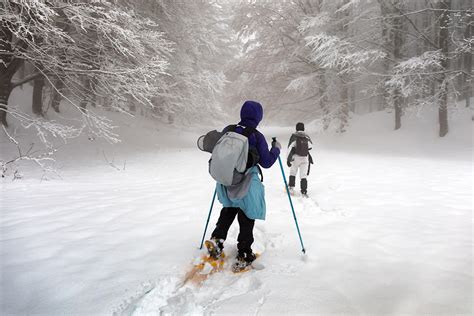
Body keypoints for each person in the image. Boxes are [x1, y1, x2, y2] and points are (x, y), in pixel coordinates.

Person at [207, 100, 281, 269]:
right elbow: (267, 162)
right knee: (246, 216)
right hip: (246, 182)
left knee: (228, 210)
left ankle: (216, 241)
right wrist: (276, 149)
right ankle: (244, 253)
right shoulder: (256, 135)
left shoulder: (229, 130)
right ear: (258, 117)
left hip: (227, 180)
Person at [287, 122, 313, 196]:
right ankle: (304, 191)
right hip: (305, 158)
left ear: (296, 128)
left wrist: (288, 159)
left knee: (293, 172)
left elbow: (289, 148)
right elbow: (311, 146)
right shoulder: (306, 136)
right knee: (303, 175)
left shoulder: (294, 136)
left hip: (295, 158)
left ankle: (291, 188)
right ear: (303, 128)